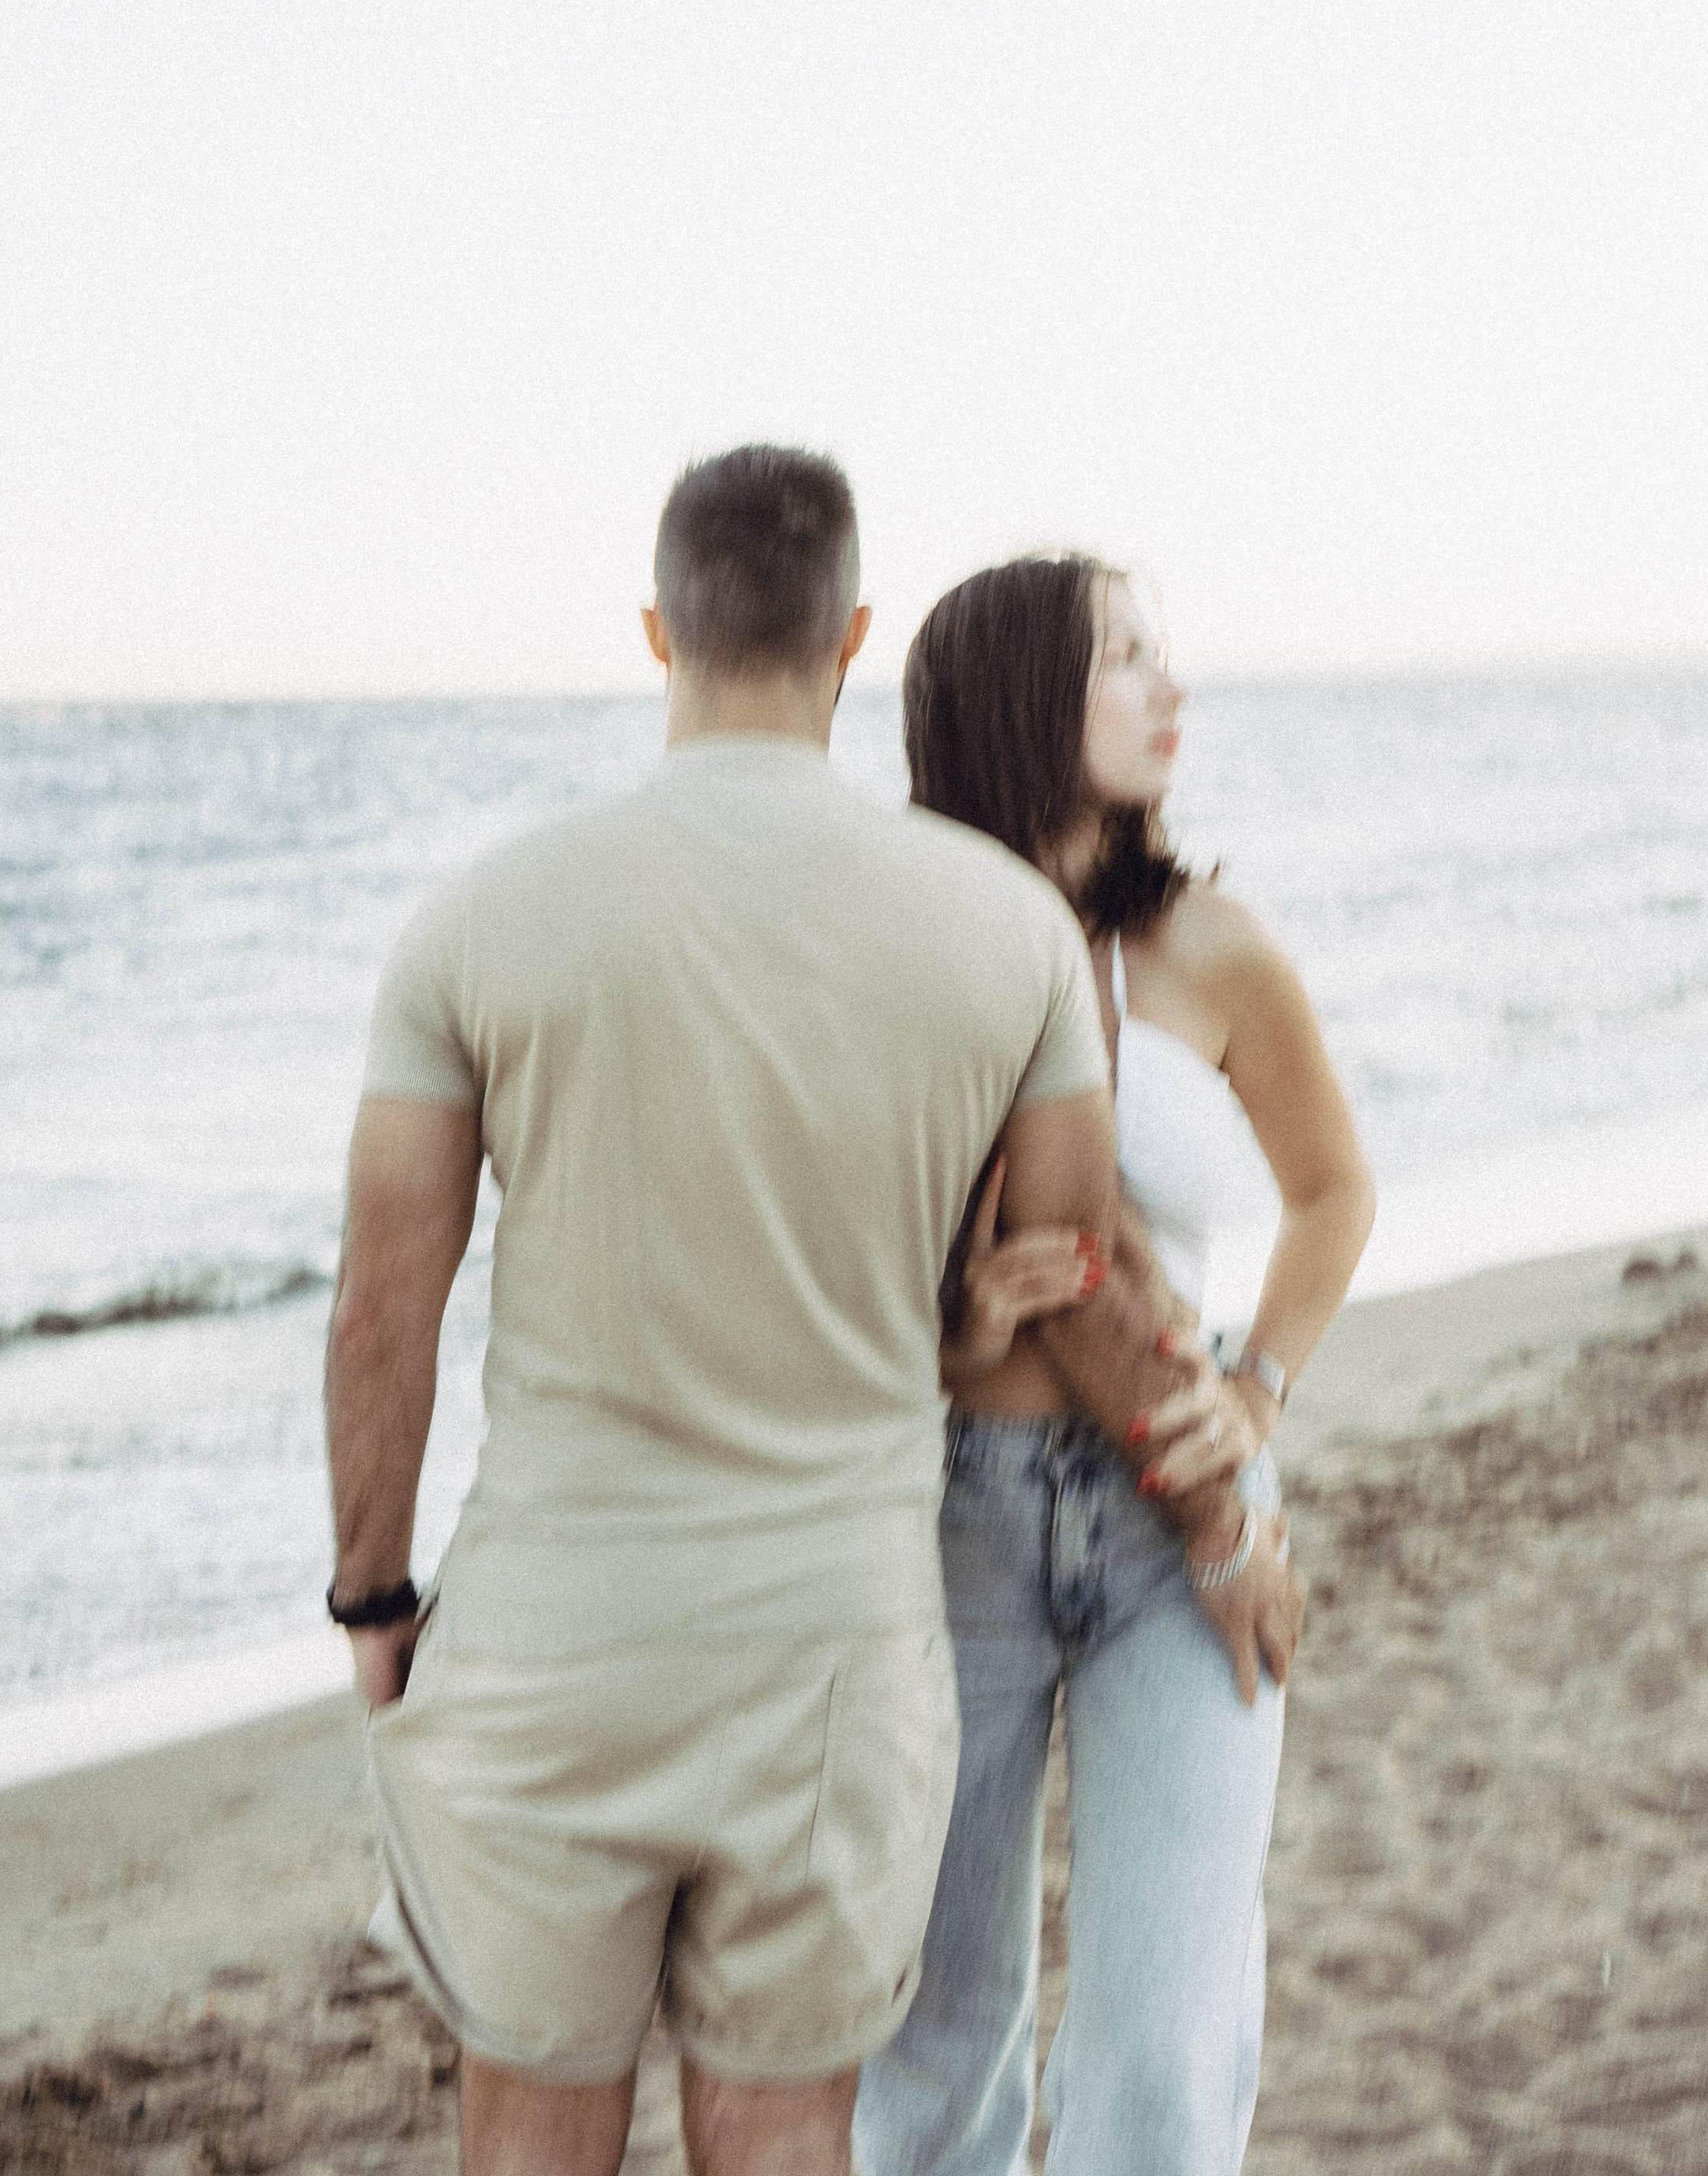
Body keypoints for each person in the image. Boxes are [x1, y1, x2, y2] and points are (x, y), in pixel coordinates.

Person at [324, 450, 1296, 2176]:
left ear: (657, 631)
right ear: (850, 637)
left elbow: (383, 1312)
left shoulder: (481, 919)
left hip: (555, 1639)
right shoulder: (1000, 929)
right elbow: (1080, 1270)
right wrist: (1222, 1504)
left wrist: (375, 1595)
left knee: (528, 2129)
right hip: (839, 1654)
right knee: (787, 2130)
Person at [855, 554, 1377, 2176]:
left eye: (1165, 652)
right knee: (932, 2050)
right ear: (1020, 695)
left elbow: (1331, 1193)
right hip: (949, 1519)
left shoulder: (1211, 948)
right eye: (1126, 656)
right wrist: (946, 1329)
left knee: (1162, 2058)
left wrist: (1258, 1391)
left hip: (1181, 1512)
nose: (1171, 687)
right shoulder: (900, 950)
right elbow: (827, 1247)